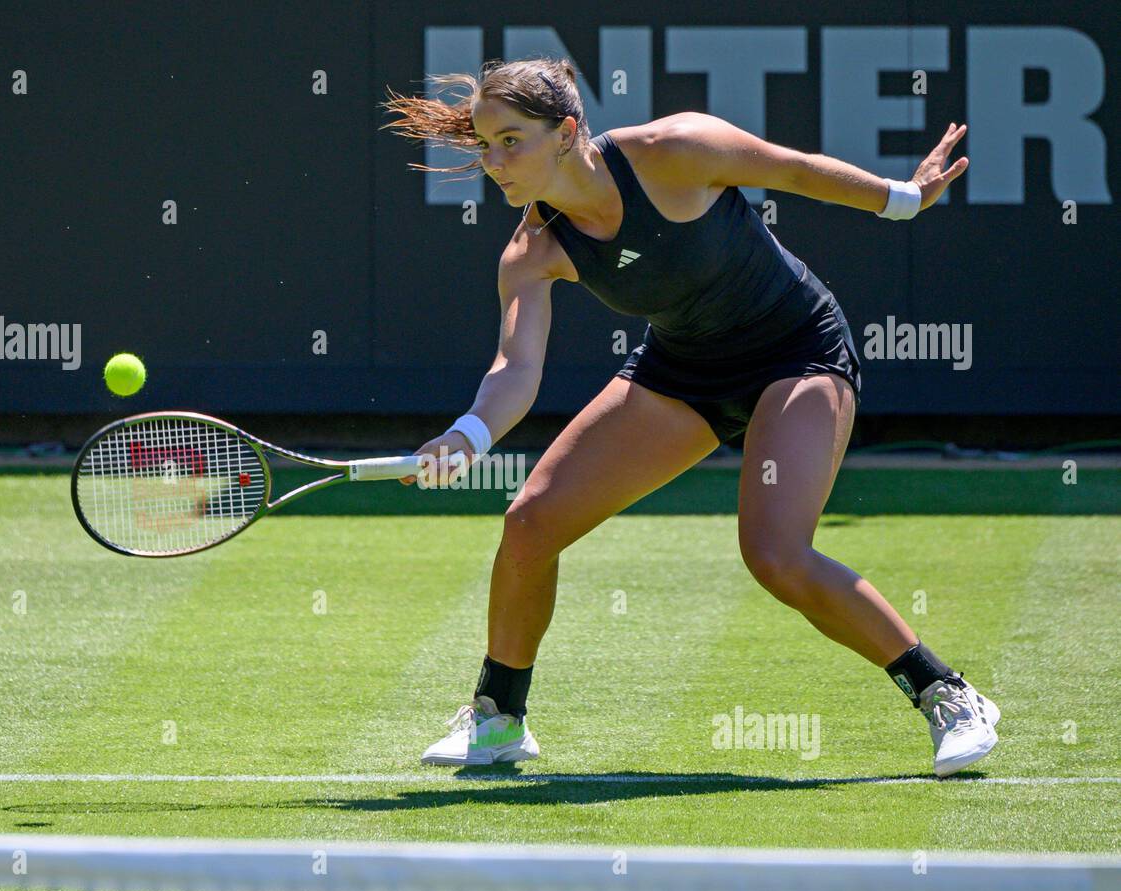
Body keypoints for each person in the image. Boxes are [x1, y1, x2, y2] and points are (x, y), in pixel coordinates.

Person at [380, 57, 998, 778]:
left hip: (796, 352)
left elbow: (794, 169)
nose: (493, 161)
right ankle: (499, 718)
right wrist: (469, 434)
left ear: (566, 131)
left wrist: (904, 198)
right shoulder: (533, 248)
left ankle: (946, 694)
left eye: (510, 140)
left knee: (775, 555)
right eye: (485, 144)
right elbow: (516, 370)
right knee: (530, 523)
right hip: (683, 372)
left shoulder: (675, 151)